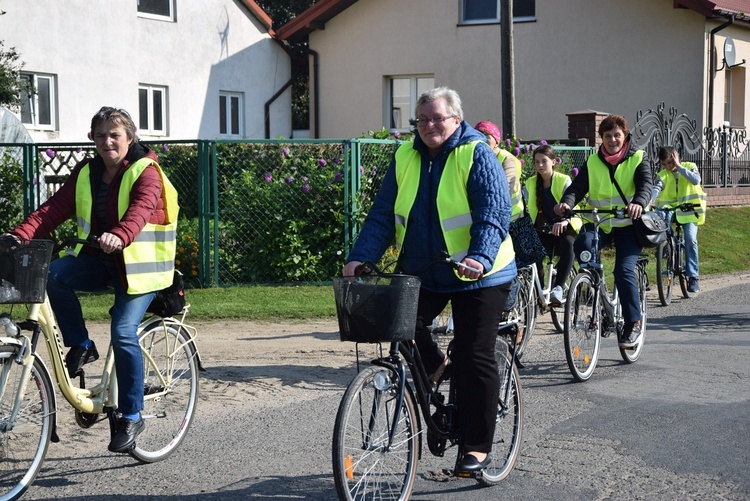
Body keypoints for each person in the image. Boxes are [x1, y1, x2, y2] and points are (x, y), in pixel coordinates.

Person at [343, 87, 516, 473]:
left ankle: (476, 447)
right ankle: (439, 364)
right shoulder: (405, 155)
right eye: (422, 119)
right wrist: (361, 257)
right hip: (427, 269)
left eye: (438, 118)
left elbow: (494, 209)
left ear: (456, 119)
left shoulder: (475, 153)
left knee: (475, 353)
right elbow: (383, 214)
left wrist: (480, 255)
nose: (429, 126)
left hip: (481, 274)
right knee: (401, 325)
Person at [7, 107, 179, 453]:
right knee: (53, 275)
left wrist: (120, 234)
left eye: (115, 135)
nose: (107, 141)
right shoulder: (86, 172)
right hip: (101, 262)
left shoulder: (147, 172)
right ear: (93, 139)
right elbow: (53, 209)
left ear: (130, 137)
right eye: (100, 135)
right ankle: (82, 345)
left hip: (140, 272)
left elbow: (141, 210)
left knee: (124, 331)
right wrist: (18, 235)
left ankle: (131, 413)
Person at [554, 114, 652, 348]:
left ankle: (633, 322)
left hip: (629, 224)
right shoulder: (593, 162)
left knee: (623, 270)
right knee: (583, 246)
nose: (612, 140)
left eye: (617, 135)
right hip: (600, 222)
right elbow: (577, 188)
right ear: (601, 139)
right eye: (607, 136)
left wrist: (638, 202)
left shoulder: (638, 158)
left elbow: (646, 184)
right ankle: (597, 294)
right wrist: (567, 202)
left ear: (625, 136)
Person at [527, 145, 581, 305]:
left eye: (544, 161)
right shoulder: (530, 183)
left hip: (565, 225)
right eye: (537, 162)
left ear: (553, 161)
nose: (540, 165)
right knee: (532, 251)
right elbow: (526, 209)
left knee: (569, 245)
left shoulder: (563, 180)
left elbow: (573, 206)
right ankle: (539, 291)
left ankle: (557, 287)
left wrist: (564, 221)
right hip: (542, 228)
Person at [651, 146, 706, 292]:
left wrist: (679, 166)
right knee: (660, 217)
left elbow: (696, 180)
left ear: (676, 157)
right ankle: (666, 244)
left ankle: (693, 277)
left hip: (689, 211)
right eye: (664, 164)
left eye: (670, 162)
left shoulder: (689, 166)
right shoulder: (662, 174)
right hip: (670, 210)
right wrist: (647, 200)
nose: (668, 167)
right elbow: (657, 188)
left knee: (690, 239)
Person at [475, 120, 524, 222]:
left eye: (486, 135)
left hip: (512, 218)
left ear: (496, 141)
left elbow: (506, 189)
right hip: (486, 216)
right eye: (478, 134)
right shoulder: (474, 158)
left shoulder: (508, 159)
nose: (482, 139)